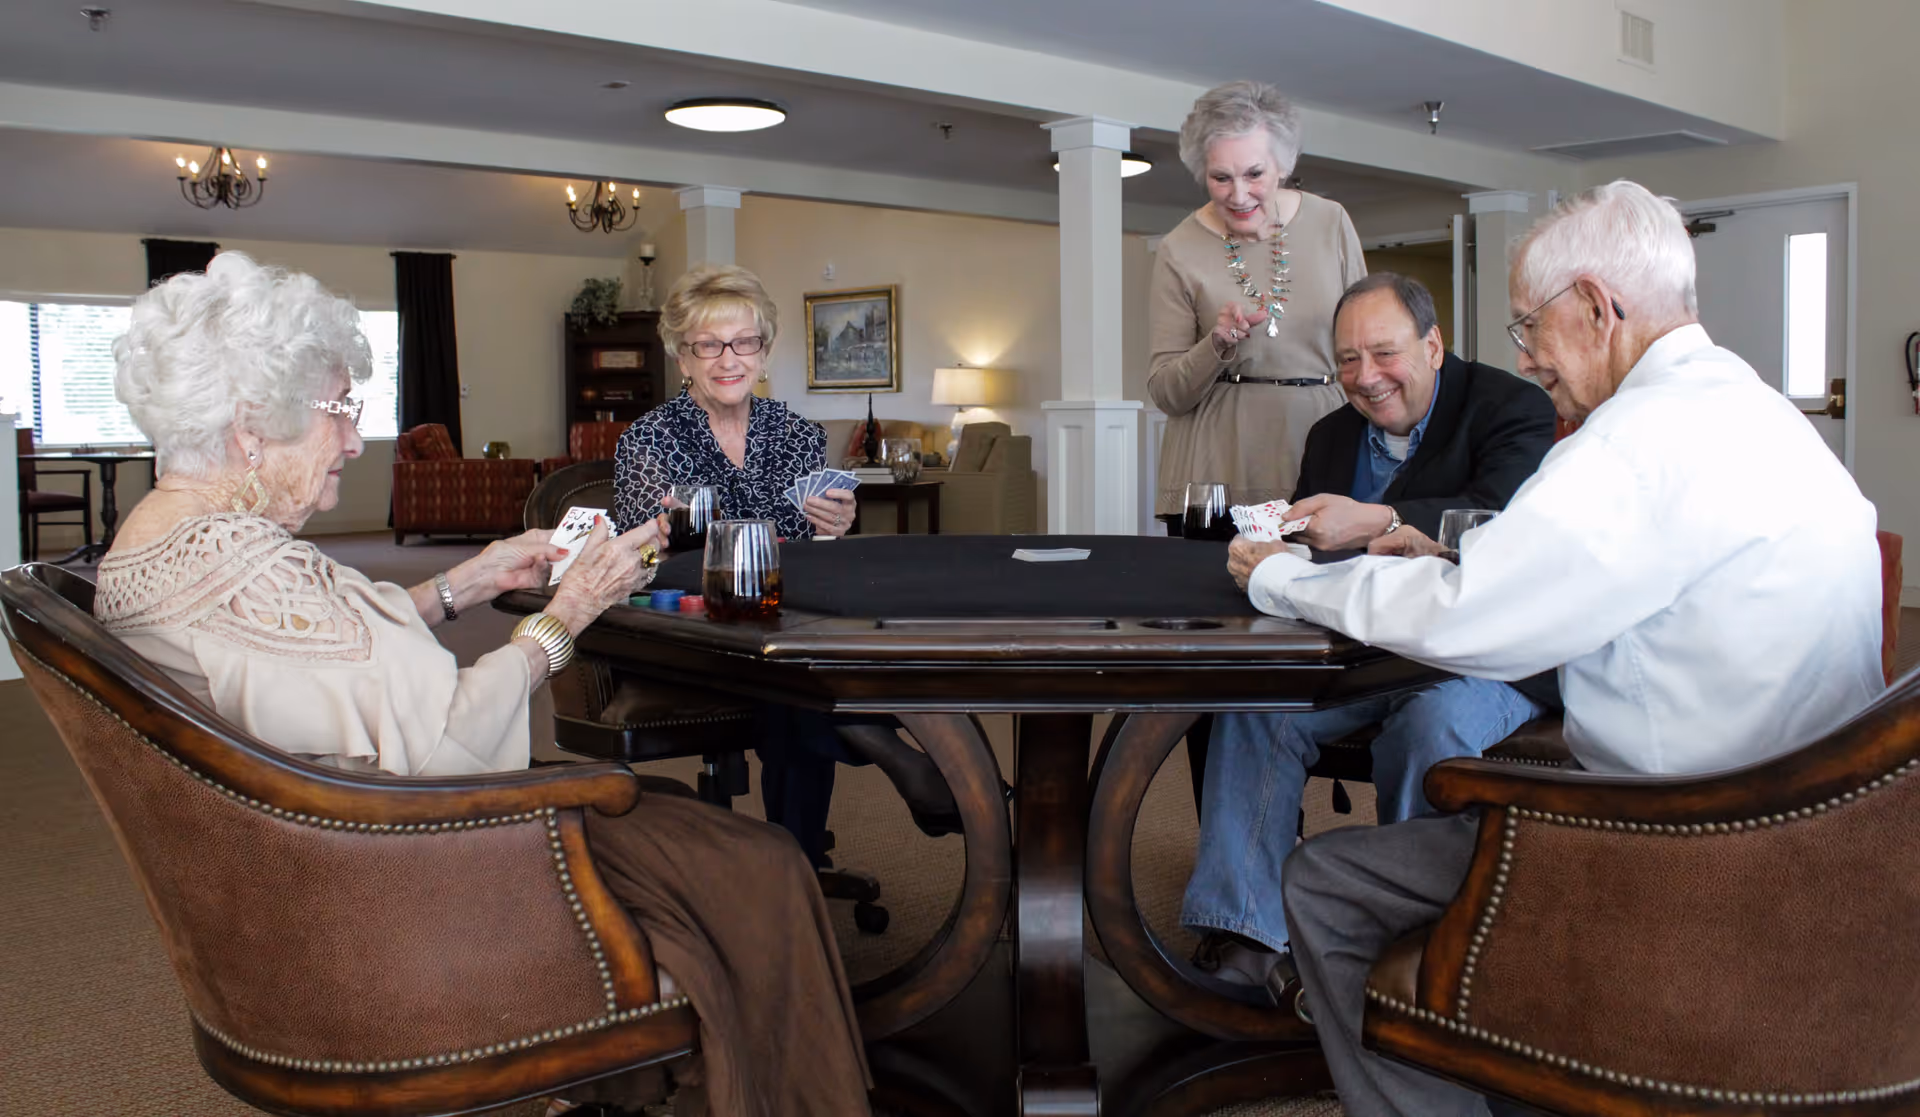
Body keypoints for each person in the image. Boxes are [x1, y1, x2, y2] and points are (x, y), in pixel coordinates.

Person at [93, 253, 872, 1117]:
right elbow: (451, 736)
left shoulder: (170, 543)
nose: (355, 439)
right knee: (761, 863)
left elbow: (331, 642)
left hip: (343, 839)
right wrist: (567, 612)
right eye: (342, 411)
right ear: (249, 426)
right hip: (428, 858)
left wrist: (465, 580)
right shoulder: (249, 574)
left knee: (695, 816)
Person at [1227, 181, 1884, 1116]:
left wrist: (1274, 577)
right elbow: (1569, 569)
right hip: (1817, 829)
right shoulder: (1769, 419)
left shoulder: (1628, 447)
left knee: (1328, 880)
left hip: (1677, 844)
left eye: (1531, 325)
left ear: (1598, 306)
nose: (1528, 356)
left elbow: (1468, 614)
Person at [1182, 272, 1557, 996]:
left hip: (1481, 654)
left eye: (1383, 352)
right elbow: (1318, 559)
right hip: (1363, 654)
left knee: (1434, 721)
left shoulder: (1511, 407)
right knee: (1254, 703)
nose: (1365, 376)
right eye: (1348, 359)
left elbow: (1497, 522)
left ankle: (1418, 941)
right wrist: (1278, 556)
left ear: (1433, 345)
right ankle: (1246, 928)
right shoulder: (1330, 435)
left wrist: (1382, 520)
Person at [612, 265, 962, 868]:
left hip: (782, 619)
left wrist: (834, 526)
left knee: (795, 666)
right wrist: (680, 538)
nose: (729, 358)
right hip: (691, 626)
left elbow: (807, 550)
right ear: (682, 358)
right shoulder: (647, 440)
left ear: (765, 352)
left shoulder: (797, 433)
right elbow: (647, 559)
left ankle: (795, 865)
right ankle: (890, 753)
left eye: (745, 342)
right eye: (708, 345)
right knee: (789, 676)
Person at [1148, 79, 1367, 528]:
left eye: (1254, 174)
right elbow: (1166, 392)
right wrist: (1217, 343)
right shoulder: (1179, 248)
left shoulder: (1331, 222)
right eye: (1220, 178)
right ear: (1201, 172)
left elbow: (1366, 343)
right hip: (1217, 465)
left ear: (1282, 165)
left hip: (1323, 448)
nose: (1239, 194)